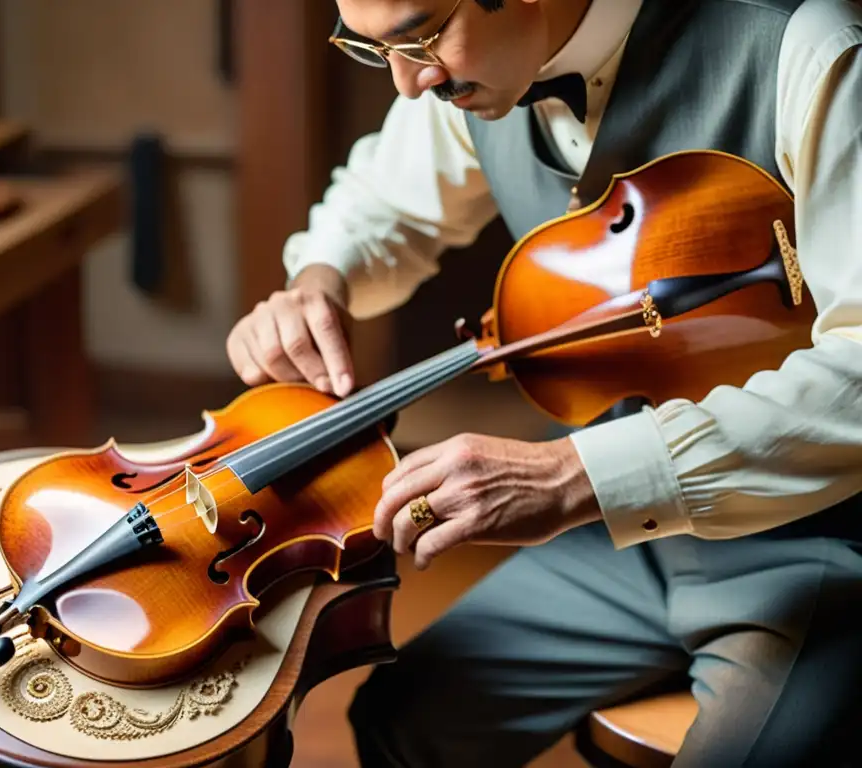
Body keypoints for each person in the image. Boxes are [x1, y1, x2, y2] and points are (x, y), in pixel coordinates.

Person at [225, 0, 862, 765]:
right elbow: (381, 201)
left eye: (419, 36)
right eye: (373, 47)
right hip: (622, 544)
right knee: (406, 724)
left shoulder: (810, 47)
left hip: (815, 538)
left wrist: (572, 473)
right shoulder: (462, 71)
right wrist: (316, 283)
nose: (407, 81)